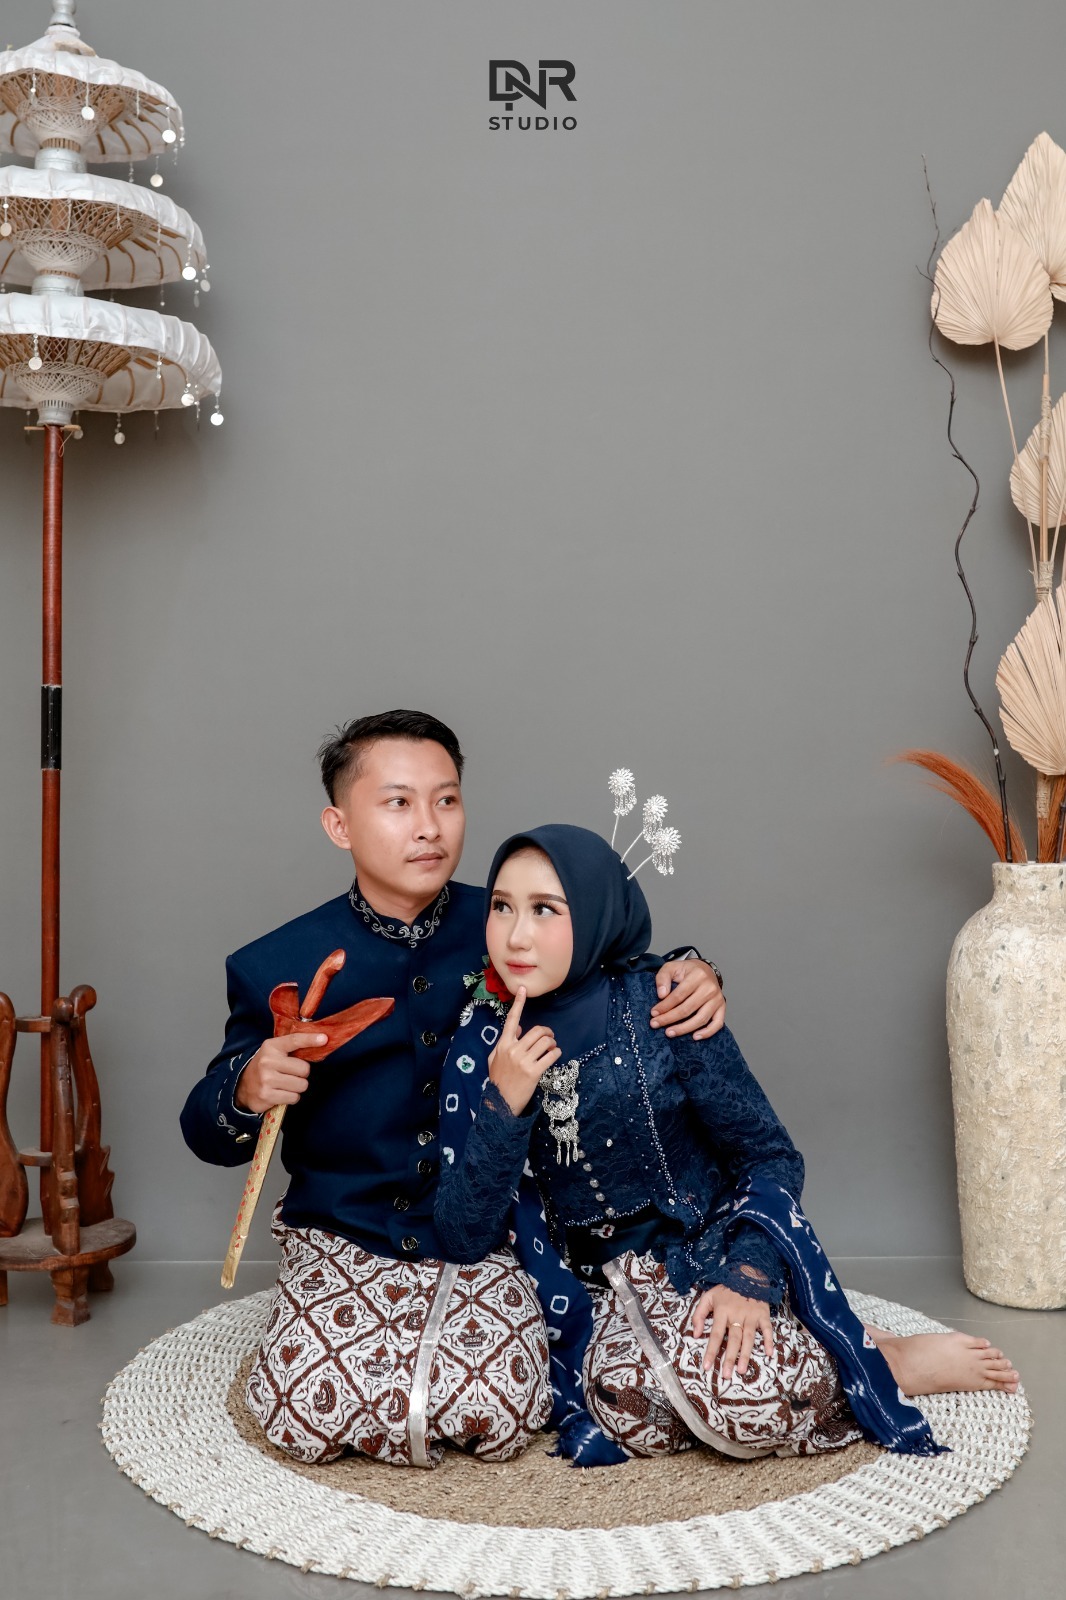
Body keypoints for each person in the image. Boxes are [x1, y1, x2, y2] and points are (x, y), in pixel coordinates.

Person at [180, 711, 725, 1467]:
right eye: (398, 803)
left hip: (494, 1227)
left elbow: (617, 967)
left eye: (447, 800)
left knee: (501, 1406)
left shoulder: (506, 921)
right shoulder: (276, 962)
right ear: (339, 825)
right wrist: (245, 1088)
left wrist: (694, 971)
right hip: (346, 1231)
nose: (429, 827)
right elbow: (204, 1131)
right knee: (302, 1408)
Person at [434, 825, 1020, 1463]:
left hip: (700, 1256)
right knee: (622, 1409)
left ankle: (885, 1360)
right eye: (502, 906)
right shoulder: (478, 1041)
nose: (516, 936)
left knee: (744, 1398)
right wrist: (504, 1103)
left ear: (597, 913)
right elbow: (464, 1233)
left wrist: (748, 1275)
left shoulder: (666, 1004)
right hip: (583, 1294)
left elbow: (769, 1155)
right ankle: (839, 1344)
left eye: (546, 909)